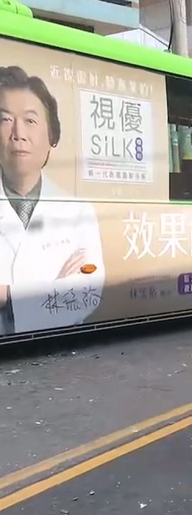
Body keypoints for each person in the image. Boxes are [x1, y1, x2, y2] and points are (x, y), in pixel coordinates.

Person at [0, 65, 105, 335]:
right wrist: (54, 287)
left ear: (52, 136)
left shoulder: (77, 211)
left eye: (31, 121)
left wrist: (9, 296)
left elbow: (86, 292)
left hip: (50, 352)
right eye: (5, 119)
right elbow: (68, 295)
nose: (18, 134)